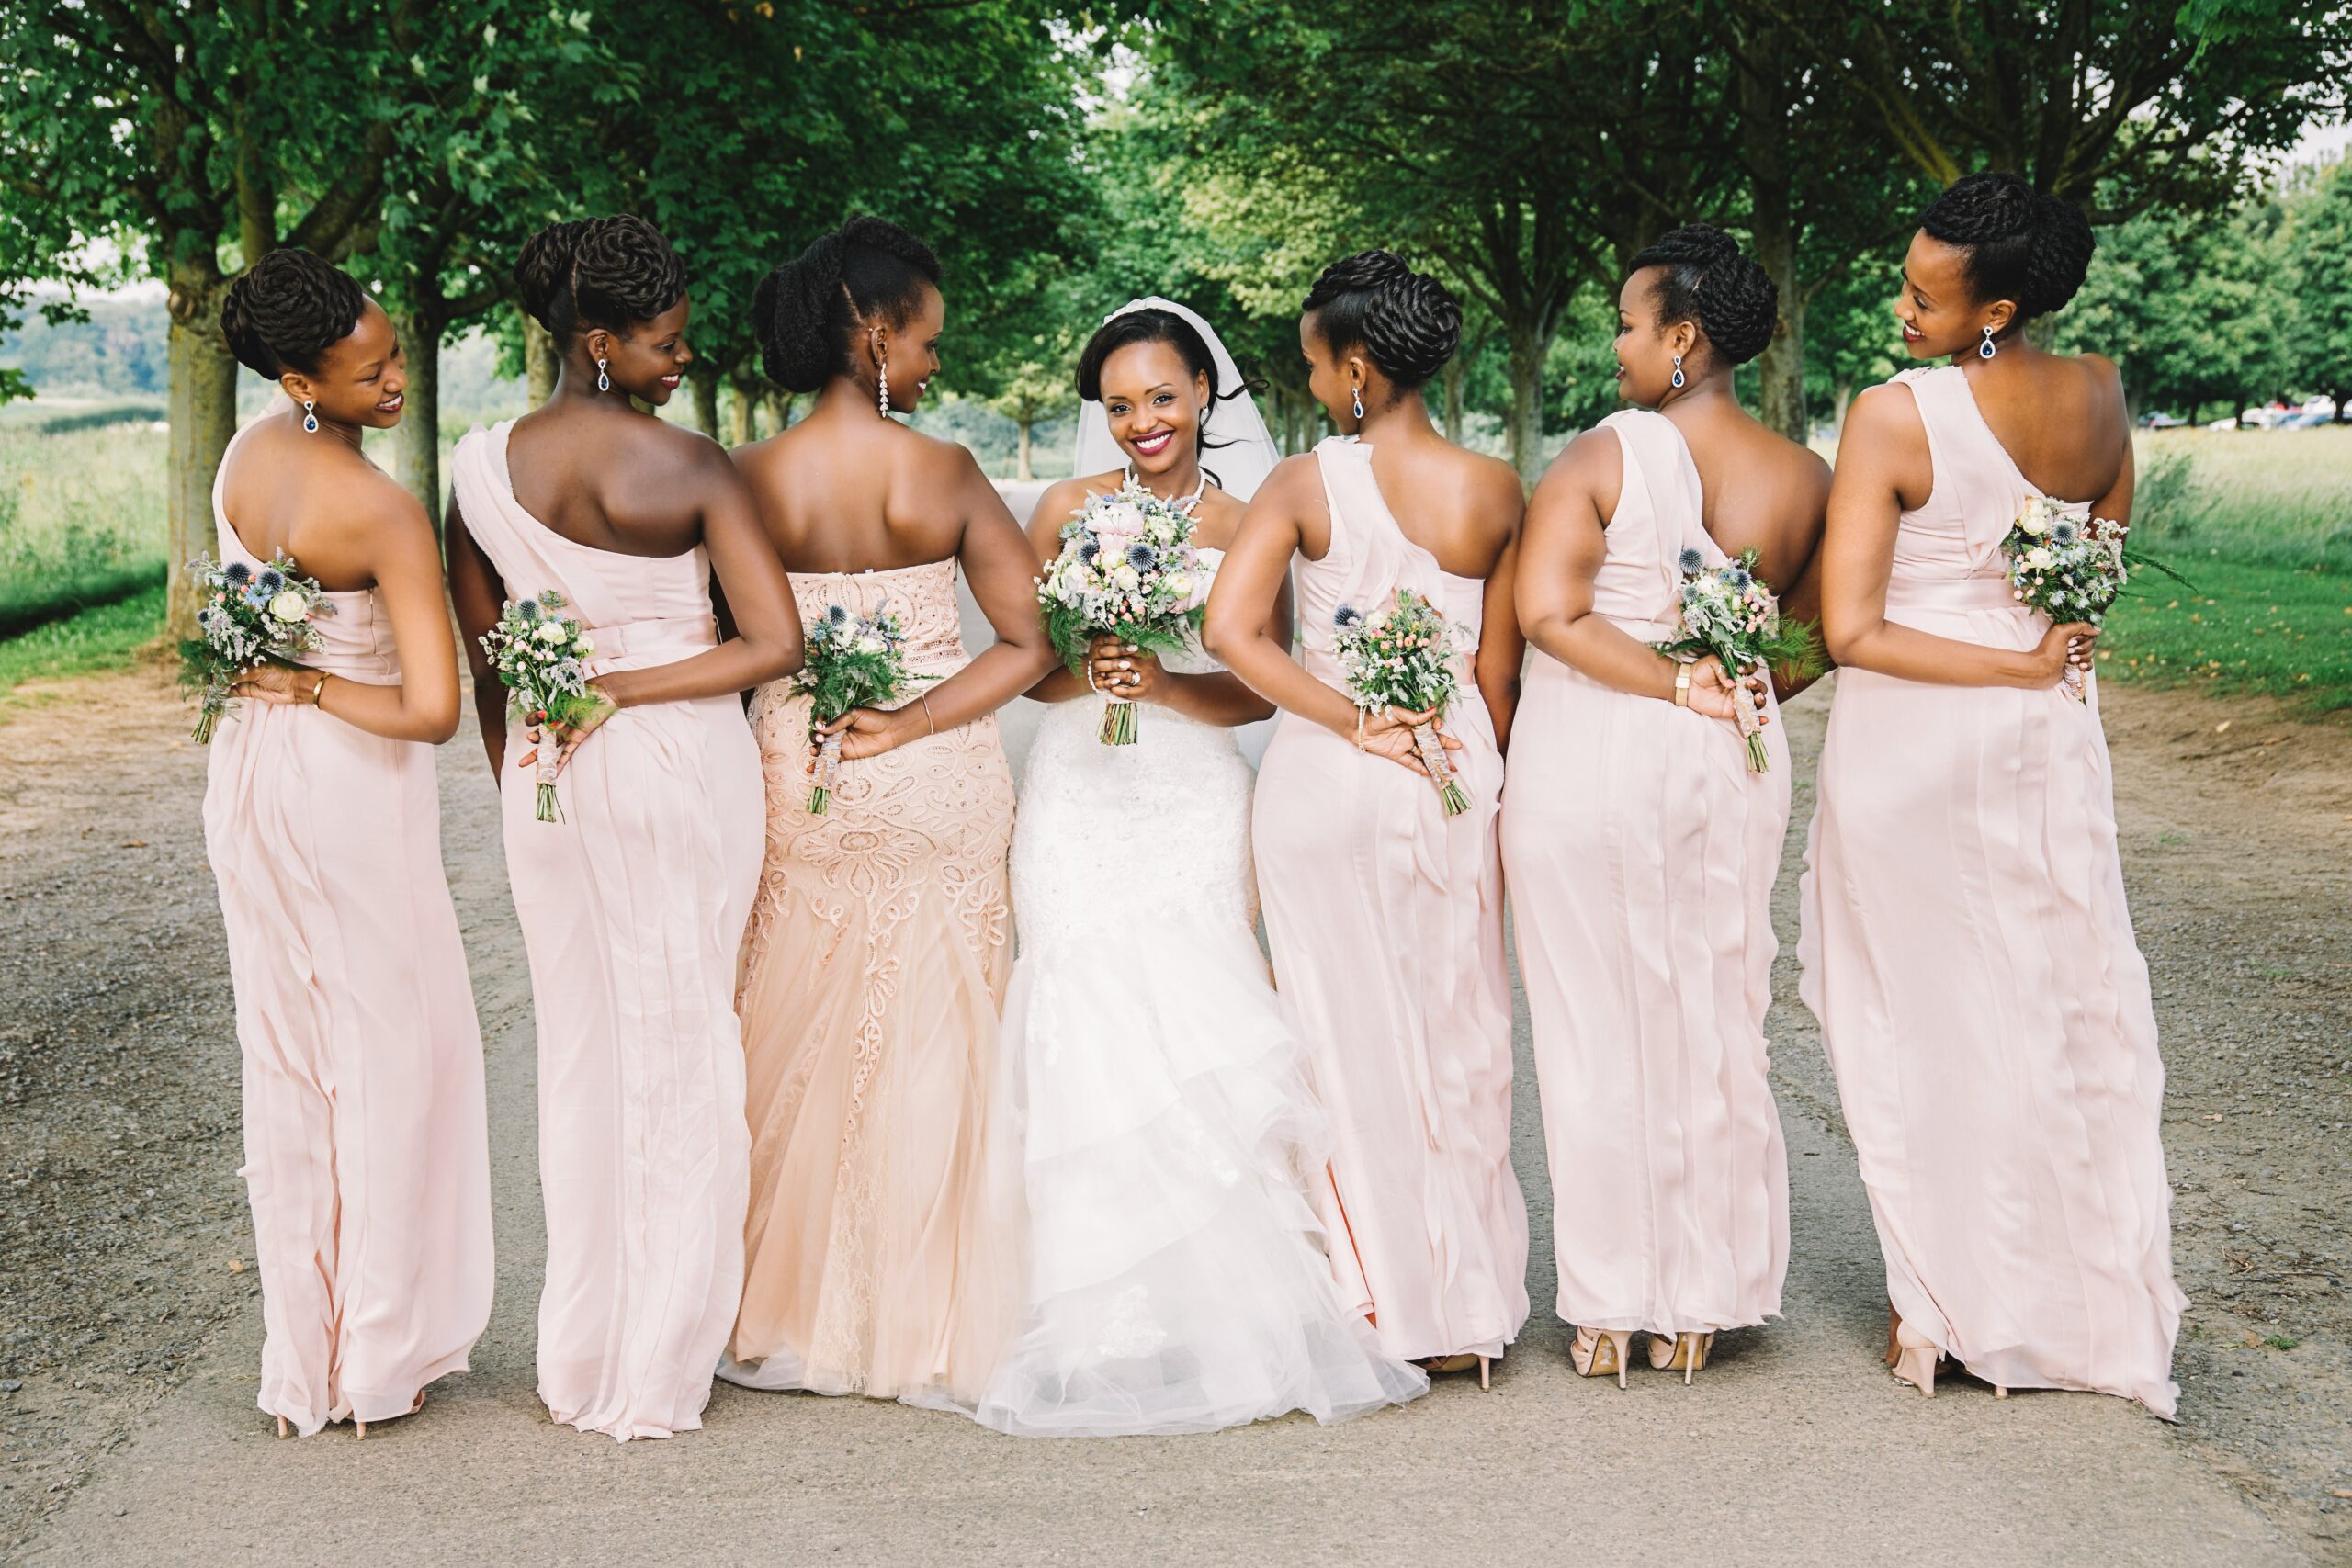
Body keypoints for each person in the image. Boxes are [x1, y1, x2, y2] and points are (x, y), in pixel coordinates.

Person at [976, 299, 1426, 1436]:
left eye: (1161, 398)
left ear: (1204, 396)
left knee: (1199, 1021)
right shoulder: (1064, 511)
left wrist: (1167, 687)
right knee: (1081, 1009)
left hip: (1190, 790)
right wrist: (1098, 672)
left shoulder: (1245, 517)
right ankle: (1095, 1318)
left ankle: (1233, 1314)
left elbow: (1257, 679)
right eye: (1119, 406)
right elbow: (1032, 668)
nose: (1141, 423)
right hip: (1080, 792)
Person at [1802, 172, 2184, 1415]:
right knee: (2050, 1005)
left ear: (1997, 305)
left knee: (1915, 1016)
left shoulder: (1893, 414)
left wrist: (2012, 657)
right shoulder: (2101, 394)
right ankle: (2064, 1298)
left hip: (1916, 747)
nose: (1900, 305)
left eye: (1926, 293)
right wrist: (2040, 652)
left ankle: (1949, 1307)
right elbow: (2097, 569)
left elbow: (1853, 628)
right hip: (2045, 743)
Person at [445, 215, 800, 1441]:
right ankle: (662, 1351)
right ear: (595, 341)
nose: (683, 362)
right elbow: (771, 643)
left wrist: (526, 775)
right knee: (684, 1035)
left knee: (584, 1049)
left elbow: (489, 663)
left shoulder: (478, 466)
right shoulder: (694, 468)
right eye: (664, 343)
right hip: (678, 766)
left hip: (551, 776)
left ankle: (583, 1347)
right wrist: (633, 687)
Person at [721, 216, 1051, 1410]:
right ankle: (927, 1309)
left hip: (799, 771)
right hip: (937, 779)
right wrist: (911, 721)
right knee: (940, 1034)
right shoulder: (946, 472)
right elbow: (1028, 639)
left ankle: (788, 1302)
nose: (936, 367)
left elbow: (731, 638)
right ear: (872, 333)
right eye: (925, 341)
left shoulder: (746, 477)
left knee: (794, 1017)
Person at [1504, 226, 1826, 1385]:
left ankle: (1606, 1307)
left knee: (1596, 1026)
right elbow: (1821, 634)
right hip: (1728, 760)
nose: (1619, 345)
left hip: (1596, 749)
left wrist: (1670, 679)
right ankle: (1701, 1301)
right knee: (1711, 1014)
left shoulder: (1604, 453)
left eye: (1631, 324)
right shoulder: (1804, 476)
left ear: (1683, 338)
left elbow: (1549, 614)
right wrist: (1736, 687)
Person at [1204, 251, 1529, 1385]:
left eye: (1309, 367)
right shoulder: (1495, 488)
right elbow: (1496, 676)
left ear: (1354, 370)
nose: (1304, 390)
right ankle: (1462, 1303)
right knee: (1457, 1029)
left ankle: (1371, 1299)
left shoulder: (1304, 484)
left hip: (1330, 782)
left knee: (1340, 1039)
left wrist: (1350, 720)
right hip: (1450, 772)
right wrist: (1465, 774)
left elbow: (1231, 636)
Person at [207, 247, 491, 1438]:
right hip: (345, 779)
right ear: (298, 374)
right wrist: (321, 691)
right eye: (370, 368)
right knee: (388, 1052)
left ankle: (301, 1359)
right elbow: (431, 708)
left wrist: (281, 684)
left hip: (249, 777)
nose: (396, 379)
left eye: (394, 353)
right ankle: (376, 1354)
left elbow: (242, 618)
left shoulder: (243, 458)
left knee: (288, 1051)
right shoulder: (375, 508)